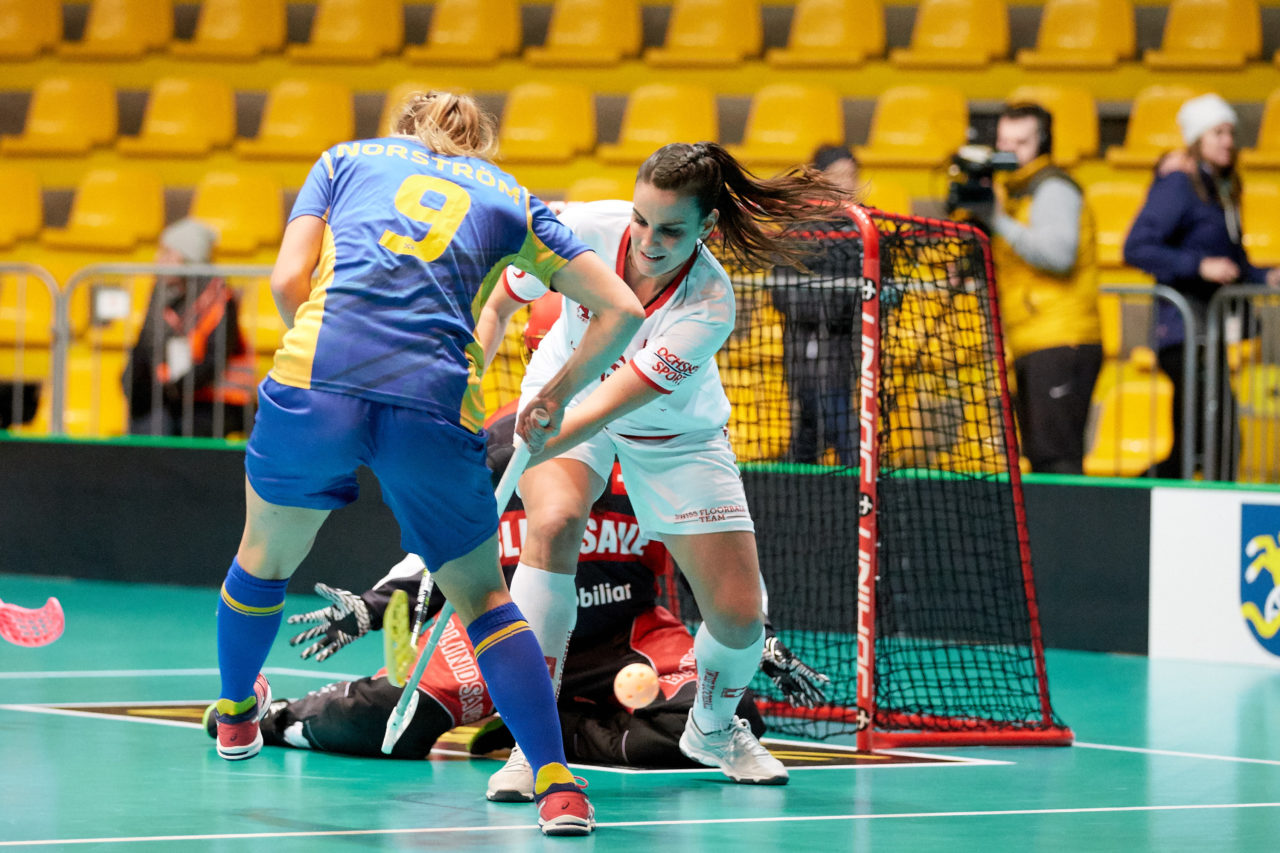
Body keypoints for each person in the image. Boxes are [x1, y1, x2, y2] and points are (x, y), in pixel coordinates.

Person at [208, 90, 644, 837]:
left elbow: (287, 282)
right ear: (480, 145)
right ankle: (556, 783)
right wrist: (557, 394)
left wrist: (332, 360)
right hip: (433, 403)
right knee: (483, 600)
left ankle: (239, 713)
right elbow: (625, 309)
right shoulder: (511, 197)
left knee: (262, 560)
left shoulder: (345, 160)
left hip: (317, 382)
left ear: (404, 131)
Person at [205, 320, 828, 798]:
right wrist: (375, 606)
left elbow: (704, 557)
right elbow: (446, 542)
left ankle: (552, 726)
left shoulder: (659, 435)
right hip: (505, 634)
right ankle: (274, 713)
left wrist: (755, 638)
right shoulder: (501, 438)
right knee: (392, 722)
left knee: (730, 710)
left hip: (625, 637)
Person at [476, 141, 853, 793]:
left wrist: (539, 427)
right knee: (556, 520)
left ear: (707, 228)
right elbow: (500, 299)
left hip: (669, 429)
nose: (648, 241)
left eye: (672, 230)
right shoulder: (584, 232)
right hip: (563, 383)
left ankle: (710, 727)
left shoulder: (709, 303)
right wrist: (470, 382)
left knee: (738, 615)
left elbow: (612, 403)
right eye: (643, 220)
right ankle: (533, 742)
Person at [1123, 93, 1280, 480]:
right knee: (1211, 437)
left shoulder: (1222, 190)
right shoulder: (1179, 184)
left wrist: (1266, 276)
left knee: (1211, 440)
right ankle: (1136, 500)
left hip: (1208, 332)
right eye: (1217, 132)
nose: (1228, 141)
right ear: (1198, 138)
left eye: (1231, 132)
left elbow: (1234, 262)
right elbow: (1137, 247)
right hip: (1183, 331)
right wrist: (1198, 265)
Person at [983, 103, 1102, 474]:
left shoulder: (1051, 189)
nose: (1010, 151)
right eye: (1004, 141)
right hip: (1033, 339)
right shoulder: (1011, 191)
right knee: (1041, 455)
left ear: (1043, 143)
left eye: (1021, 142)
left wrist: (997, 221)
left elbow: (1057, 254)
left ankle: (1067, 533)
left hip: (1060, 340)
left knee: (1058, 459)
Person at [122, 218, 256, 438]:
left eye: (166, 253)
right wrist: (133, 383)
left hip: (221, 400)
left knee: (179, 426)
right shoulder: (161, 294)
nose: (157, 259)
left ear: (188, 259)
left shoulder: (222, 298)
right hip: (178, 397)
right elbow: (144, 347)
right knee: (144, 414)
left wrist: (171, 390)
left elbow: (213, 359)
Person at [771, 144, 861, 466]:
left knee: (831, 413)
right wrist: (833, 304)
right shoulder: (799, 228)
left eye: (851, 175)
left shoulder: (865, 228)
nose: (846, 184)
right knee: (814, 414)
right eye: (838, 175)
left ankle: (853, 474)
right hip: (806, 343)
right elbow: (782, 292)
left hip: (848, 345)